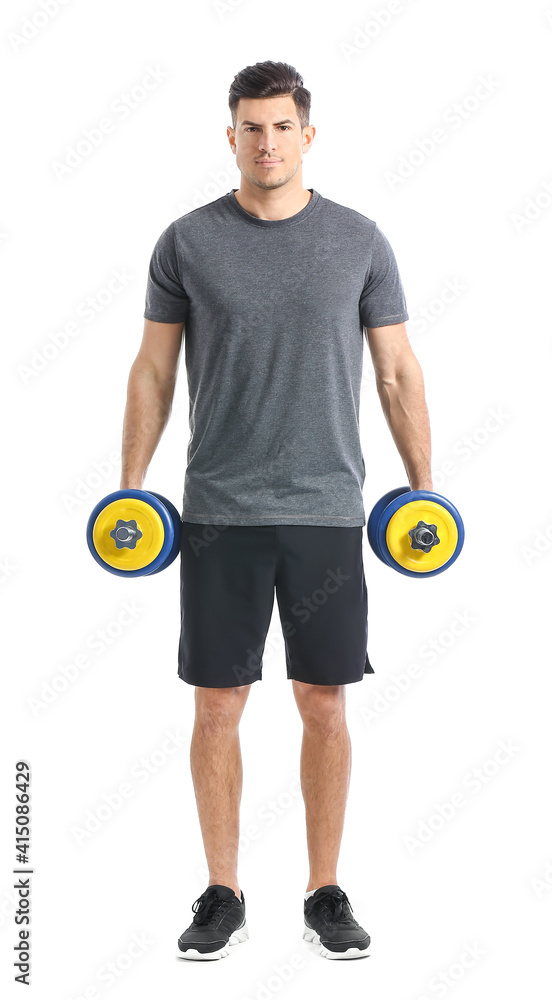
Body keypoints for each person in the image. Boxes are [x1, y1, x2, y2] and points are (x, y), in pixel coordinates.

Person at [120, 60, 433, 961]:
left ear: (307, 134)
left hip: (327, 508)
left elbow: (398, 368)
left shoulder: (360, 240)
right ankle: (223, 892)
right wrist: (133, 489)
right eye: (250, 128)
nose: (266, 142)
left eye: (281, 127)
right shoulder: (186, 241)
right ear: (231, 137)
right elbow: (152, 368)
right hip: (218, 506)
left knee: (324, 701)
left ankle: (324, 892)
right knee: (217, 704)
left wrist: (422, 487)